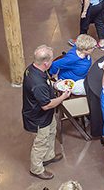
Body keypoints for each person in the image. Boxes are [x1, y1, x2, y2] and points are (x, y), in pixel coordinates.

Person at [23, 45, 70, 180]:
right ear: (46, 63)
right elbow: (46, 105)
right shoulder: (37, 84)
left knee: (51, 133)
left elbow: (45, 86)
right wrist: (63, 97)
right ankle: (36, 169)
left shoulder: (33, 68)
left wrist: (54, 85)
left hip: (46, 116)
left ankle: (48, 157)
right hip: (38, 119)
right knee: (40, 144)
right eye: (51, 60)